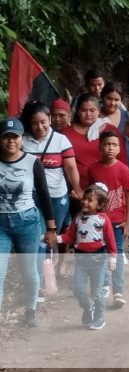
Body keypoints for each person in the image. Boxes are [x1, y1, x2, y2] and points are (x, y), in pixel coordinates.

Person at [20, 101, 81, 301]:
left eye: (44, 122)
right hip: (31, 197)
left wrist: (77, 187)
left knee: (50, 237)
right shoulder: (22, 141)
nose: (40, 127)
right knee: (37, 238)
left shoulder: (61, 140)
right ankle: (38, 282)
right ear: (29, 123)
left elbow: (71, 168)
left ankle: (48, 274)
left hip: (57, 195)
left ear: (50, 120)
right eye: (35, 123)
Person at [0, 118, 56, 327]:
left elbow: (43, 195)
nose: (10, 141)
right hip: (0, 224)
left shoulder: (32, 162)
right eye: (5, 137)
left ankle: (30, 310)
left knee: (29, 270)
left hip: (27, 222)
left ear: (22, 139)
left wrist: (51, 228)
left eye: (14, 137)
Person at [57, 184, 117, 330]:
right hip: (81, 262)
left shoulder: (103, 220)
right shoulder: (77, 218)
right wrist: (56, 239)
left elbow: (110, 240)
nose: (85, 202)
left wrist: (112, 258)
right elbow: (70, 236)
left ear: (100, 205)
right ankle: (87, 306)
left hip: (98, 261)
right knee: (78, 289)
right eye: (84, 199)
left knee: (97, 291)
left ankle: (99, 317)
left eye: (90, 200)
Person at [87, 130, 129, 308]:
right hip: (97, 220)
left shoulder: (123, 169)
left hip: (117, 220)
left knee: (117, 253)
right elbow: (90, 194)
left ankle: (118, 290)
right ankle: (104, 283)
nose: (110, 148)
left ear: (119, 148)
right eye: (107, 144)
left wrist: (128, 221)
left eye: (114, 145)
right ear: (100, 147)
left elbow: (128, 195)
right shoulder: (93, 168)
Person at [63, 94, 128, 192]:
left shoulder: (110, 131)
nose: (88, 114)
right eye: (84, 110)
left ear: (98, 111)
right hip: (74, 189)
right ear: (77, 111)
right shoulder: (66, 133)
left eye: (92, 110)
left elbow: (122, 161)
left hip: (106, 188)